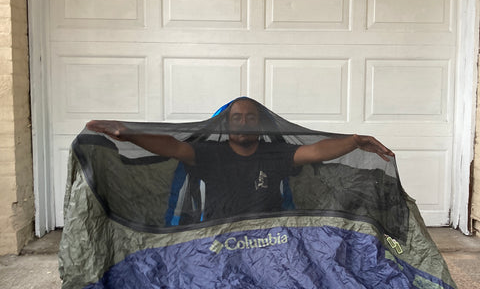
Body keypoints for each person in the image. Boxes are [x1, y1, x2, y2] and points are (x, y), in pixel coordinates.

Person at [86, 97, 394, 221]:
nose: (244, 123)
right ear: (226, 124)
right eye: (237, 118)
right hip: (220, 234)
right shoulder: (210, 154)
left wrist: (354, 141)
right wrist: (128, 133)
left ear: (260, 124)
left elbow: (316, 150)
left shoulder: (277, 154)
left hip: (269, 235)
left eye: (250, 118)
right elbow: (170, 145)